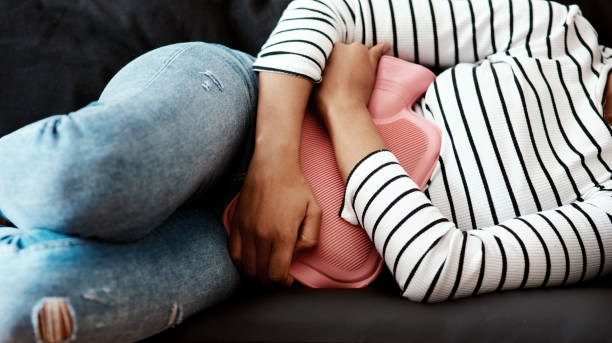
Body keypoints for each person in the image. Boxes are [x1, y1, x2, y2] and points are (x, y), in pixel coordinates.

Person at [0, 0, 610, 341]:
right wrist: (272, 167)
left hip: (260, 256)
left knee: (34, 304)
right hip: (240, 107)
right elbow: (326, 11)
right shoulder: (553, 32)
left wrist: (346, 109)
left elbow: (439, 266)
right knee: (75, 178)